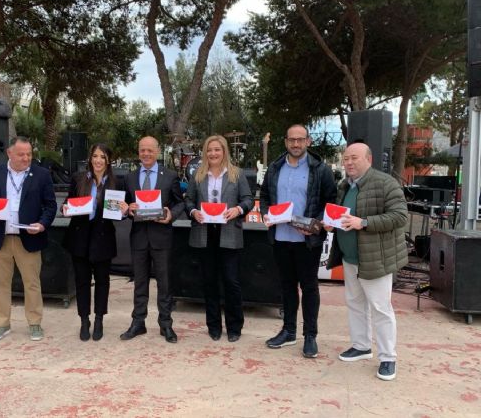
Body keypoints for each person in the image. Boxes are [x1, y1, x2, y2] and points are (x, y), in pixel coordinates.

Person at [326, 142, 408, 381]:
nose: (349, 162)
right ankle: (361, 346)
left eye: (354, 158)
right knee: (355, 303)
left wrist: (364, 222)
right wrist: (332, 223)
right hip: (351, 258)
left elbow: (400, 216)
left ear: (368, 160)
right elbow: (344, 217)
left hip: (376, 258)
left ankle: (388, 358)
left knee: (381, 308)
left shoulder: (385, 183)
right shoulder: (344, 186)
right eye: (346, 158)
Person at [259, 124, 337, 358]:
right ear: (285, 142)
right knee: (286, 286)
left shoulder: (320, 169)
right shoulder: (275, 167)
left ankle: (310, 335)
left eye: (300, 140)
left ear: (308, 142)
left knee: (309, 287)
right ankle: (289, 331)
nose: (295, 144)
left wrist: (315, 224)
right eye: (291, 140)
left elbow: (330, 201)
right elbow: (264, 197)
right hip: (281, 238)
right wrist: (265, 213)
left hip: (307, 242)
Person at [0, 137, 57, 342]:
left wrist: (42, 224)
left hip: (28, 238)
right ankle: (2, 323)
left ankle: (35, 323)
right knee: (0, 283)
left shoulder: (42, 175)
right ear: (9, 153)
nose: (26, 158)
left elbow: (50, 205)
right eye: (21, 154)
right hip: (0, 238)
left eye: (29, 154)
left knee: (32, 283)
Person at [185, 135, 254, 342]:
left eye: (217, 150)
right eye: (209, 150)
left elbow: (248, 199)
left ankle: (234, 327)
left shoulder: (236, 174)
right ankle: (213, 326)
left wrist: (238, 209)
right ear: (205, 152)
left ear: (225, 151)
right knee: (209, 282)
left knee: (231, 282)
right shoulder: (197, 175)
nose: (213, 153)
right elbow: (188, 200)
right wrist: (193, 212)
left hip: (229, 233)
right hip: (205, 234)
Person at [120, 136, 185, 343]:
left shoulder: (170, 176)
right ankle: (138, 323)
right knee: (140, 283)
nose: (146, 154)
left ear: (157, 151)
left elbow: (180, 204)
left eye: (149, 150)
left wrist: (170, 215)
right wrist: (127, 210)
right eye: (142, 150)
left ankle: (165, 324)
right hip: (138, 237)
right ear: (138, 152)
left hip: (162, 238)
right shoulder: (129, 178)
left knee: (164, 284)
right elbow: (123, 206)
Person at [62, 143, 128, 342]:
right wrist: (65, 208)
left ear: (108, 160)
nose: (98, 160)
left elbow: (121, 214)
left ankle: (99, 319)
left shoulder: (117, 183)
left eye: (103, 157)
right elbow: (67, 203)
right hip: (79, 237)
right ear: (90, 159)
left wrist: (124, 211)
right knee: (82, 282)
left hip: (103, 238)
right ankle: (84, 320)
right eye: (95, 156)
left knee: (102, 282)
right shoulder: (79, 179)